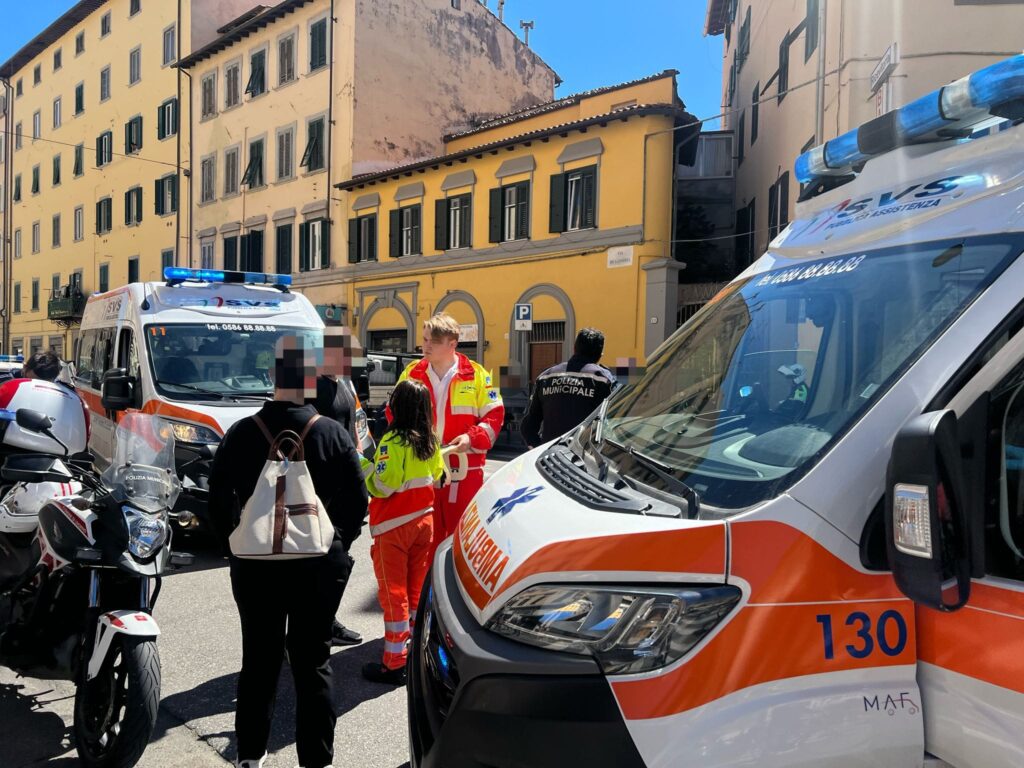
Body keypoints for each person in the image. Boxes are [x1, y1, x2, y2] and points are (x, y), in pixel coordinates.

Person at [208, 336, 367, 768]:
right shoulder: (332, 434)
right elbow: (358, 503)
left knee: (259, 660)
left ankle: (250, 756)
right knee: (313, 662)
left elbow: (217, 499)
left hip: (255, 565)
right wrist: (337, 541)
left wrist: (234, 544)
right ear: (311, 381)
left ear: (271, 377)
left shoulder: (241, 433)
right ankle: (316, 760)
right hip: (318, 564)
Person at [361, 380, 445, 685]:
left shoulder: (393, 441)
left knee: (393, 594)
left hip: (394, 527)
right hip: (424, 523)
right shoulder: (431, 440)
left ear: (397, 406)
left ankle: (394, 663)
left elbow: (384, 486)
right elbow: (437, 476)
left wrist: (362, 464)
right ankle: (411, 651)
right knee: (415, 590)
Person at [397, 314, 504, 547]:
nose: (426, 346)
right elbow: (393, 412)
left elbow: (496, 415)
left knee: (461, 539)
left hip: (464, 472)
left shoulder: (481, 375)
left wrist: (470, 438)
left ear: (452, 343)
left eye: (433, 341)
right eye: (425, 339)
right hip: (422, 469)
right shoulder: (411, 372)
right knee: (423, 540)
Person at [311, 327, 374, 648]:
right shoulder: (313, 387)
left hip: (347, 486)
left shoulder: (343, 384)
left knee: (339, 559)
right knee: (321, 562)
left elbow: (354, 429)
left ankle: (326, 620)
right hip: (323, 491)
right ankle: (312, 627)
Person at [521, 328, 615, 448]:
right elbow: (612, 425)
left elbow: (528, 427)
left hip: (550, 456)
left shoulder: (546, 376)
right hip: (582, 456)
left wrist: (538, 449)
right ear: (600, 354)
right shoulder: (603, 380)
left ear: (574, 348)